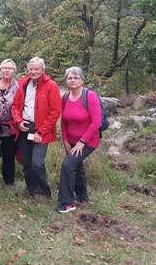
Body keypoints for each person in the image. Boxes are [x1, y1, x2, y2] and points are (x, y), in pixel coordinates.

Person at [11, 57, 61, 198]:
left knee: (37, 163)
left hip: (41, 130)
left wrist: (41, 132)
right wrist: (19, 121)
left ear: (43, 70)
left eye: (36, 69)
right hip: (25, 127)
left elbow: (55, 112)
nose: (33, 72)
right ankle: (31, 189)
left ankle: (44, 191)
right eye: (31, 69)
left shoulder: (51, 86)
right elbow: (15, 106)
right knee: (26, 162)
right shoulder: (23, 83)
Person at [56, 66, 101, 213]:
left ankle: (67, 203)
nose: (72, 80)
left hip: (88, 141)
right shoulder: (65, 98)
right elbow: (64, 122)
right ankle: (82, 196)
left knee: (68, 165)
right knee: (77, 166)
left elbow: (96, 122)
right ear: (66, 81)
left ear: (82, 80)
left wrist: (82, 142)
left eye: (76, 77)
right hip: (72, 141)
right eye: (70, 77)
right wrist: (66, 141)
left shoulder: (90, 96)